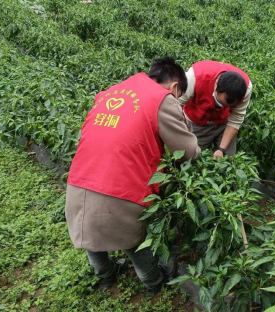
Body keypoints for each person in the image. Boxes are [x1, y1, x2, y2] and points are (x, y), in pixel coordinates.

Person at [65, 57, 200, 296]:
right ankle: (154, 283)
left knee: (89, 232)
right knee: (135, 241)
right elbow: (187, 152)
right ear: (175, 87)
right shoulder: (161, 100)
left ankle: (106, 276)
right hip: (121, 189)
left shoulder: (111, 92)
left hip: (79, 181)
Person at [178, 60, 252, 159]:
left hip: (224, 123)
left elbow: (236, 119)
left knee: (227, 160)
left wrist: (221, 149)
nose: (220, 107)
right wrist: (186, 131)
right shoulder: (194, 77)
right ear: (216, 83)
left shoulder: (246, 89)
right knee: (194, 159)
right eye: (219, 102)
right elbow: (175, 105)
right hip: (196, 122)